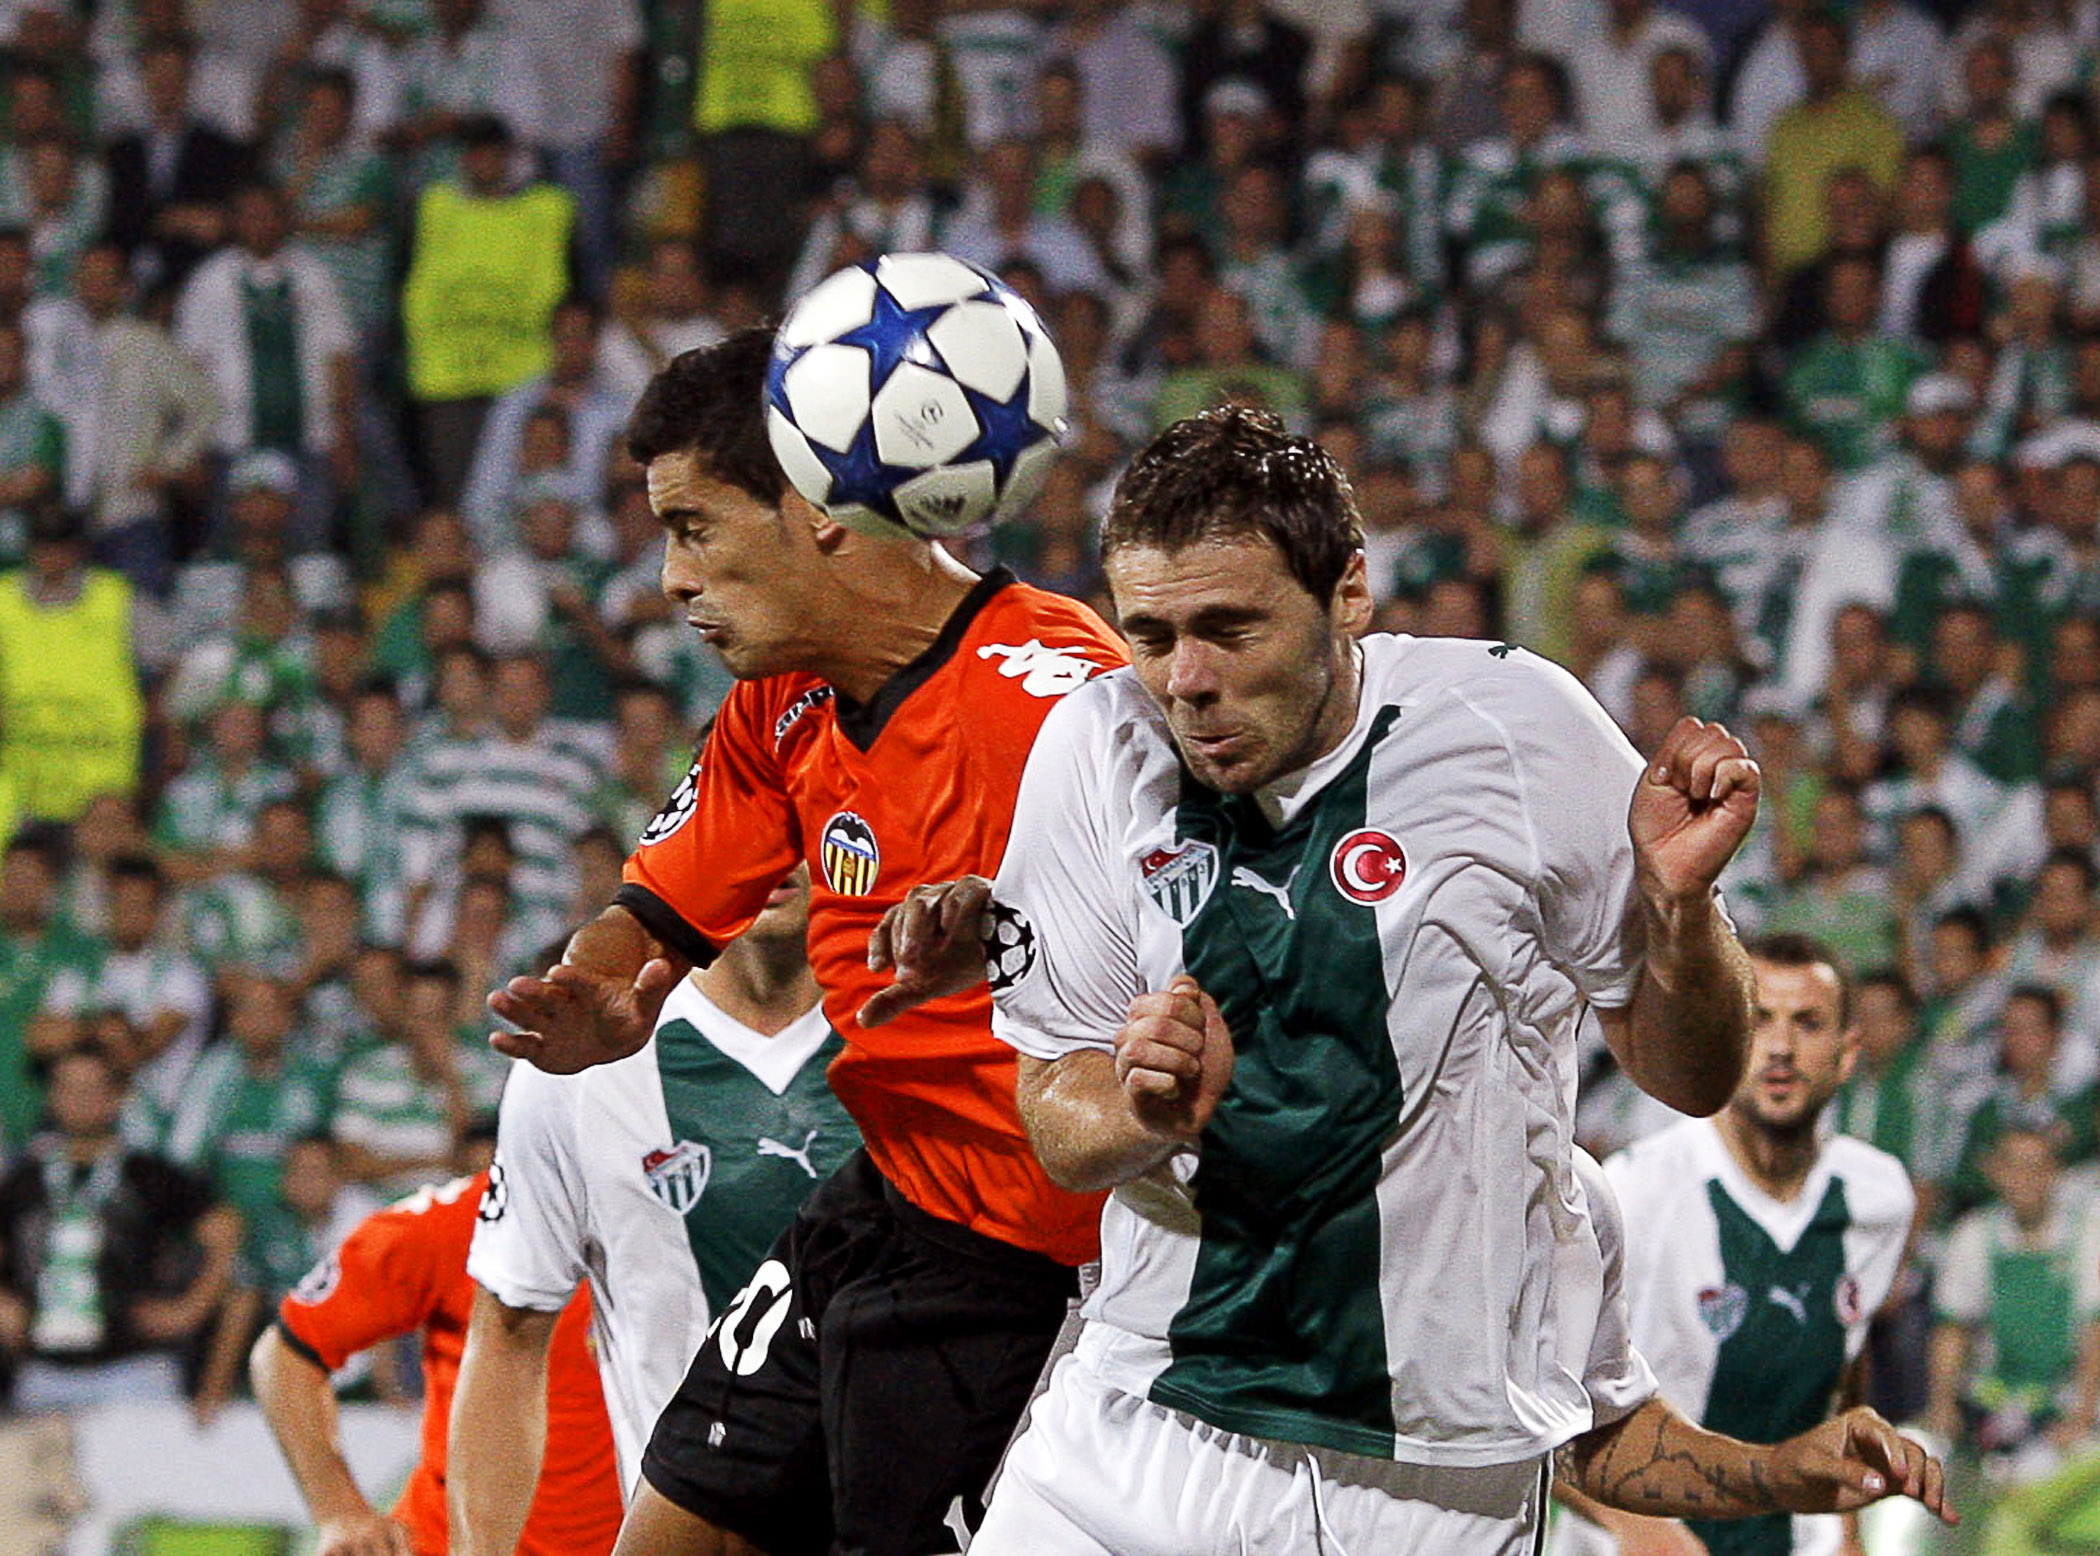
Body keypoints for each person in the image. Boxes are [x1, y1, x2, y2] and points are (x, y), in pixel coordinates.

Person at [872, 403, 1770, 1551]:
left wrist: (1680, 910)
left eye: (1229, 627)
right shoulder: (1095, 744)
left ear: (1348, 591)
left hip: (1419, 1474)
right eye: (1149, 634)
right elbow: (1057, 1113)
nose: (1185, 679)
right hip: (1139, 1414)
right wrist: (1142, 1104)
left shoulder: (1517, 727)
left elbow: (1691, 1076)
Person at [485, 323, 1127, 1554]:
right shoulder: (786, 698)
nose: (671, 579)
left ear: (821, 509)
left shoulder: (1057, 708)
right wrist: (604, 987)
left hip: (1044, 1260)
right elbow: (659, 900)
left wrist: (1009, 922)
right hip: (886, 1191)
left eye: (694, 526)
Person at [451, 868, 860, 1556]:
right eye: (758, 813)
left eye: (805, 809)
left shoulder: (929, 1037)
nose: (779, 854)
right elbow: (509, 1336)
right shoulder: (584, 1060)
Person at [1552, 933, 1916, 1555]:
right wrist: (1637, 1528)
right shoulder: (1635, 1191)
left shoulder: (1880, 1198)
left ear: (1847, 1052)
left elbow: (1843, 1355)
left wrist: (1847, 1530)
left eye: (1807, 1023)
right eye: (1758, 1020)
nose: (1780, 1048)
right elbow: (1539, 1394)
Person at [249, 1149, 623, 1556]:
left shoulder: (685, 1229)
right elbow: (284, 1352)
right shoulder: (463, 1219)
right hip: (447, 1543)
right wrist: (340, 1511)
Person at [0, 1045, 241, 1411]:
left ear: (117, 1097)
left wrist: (189, 1310)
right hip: (42, 1372)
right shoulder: (24, 1180)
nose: (79, 1101)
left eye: (91, 1089)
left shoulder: (150, 1175)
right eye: (67, 1088)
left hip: (134, 1370)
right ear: (51, 1097)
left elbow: (227, 1231)